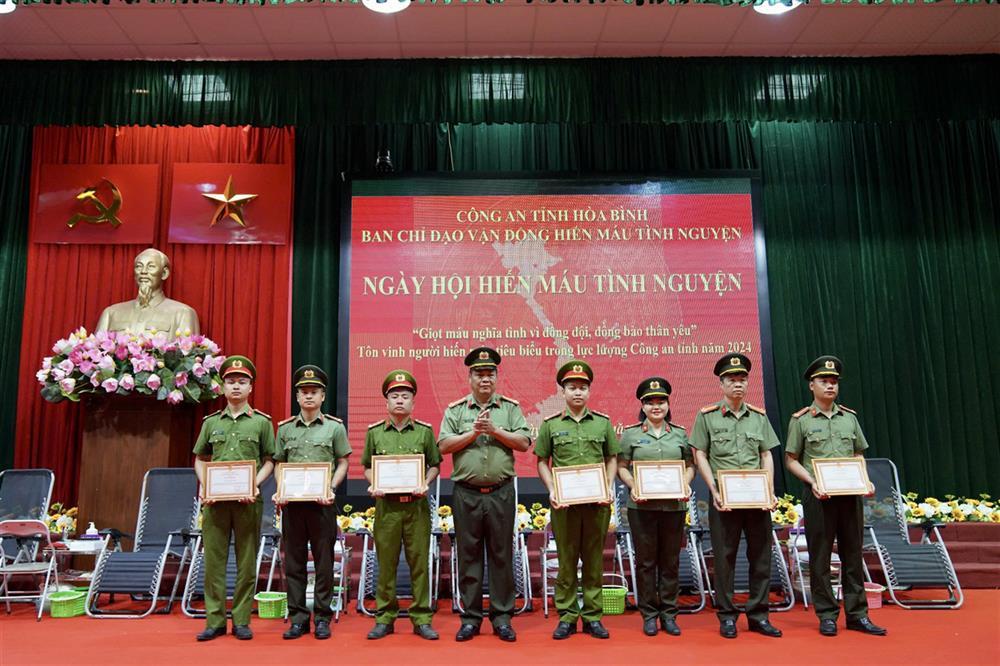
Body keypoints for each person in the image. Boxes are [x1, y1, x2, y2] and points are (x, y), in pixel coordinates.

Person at [784, 355, 887, 637]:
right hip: (819, 496)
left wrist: (864, 480)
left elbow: (858, 453)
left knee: (853, 555)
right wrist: (812, 481)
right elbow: (791, 459)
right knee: (820, 558)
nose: (830, 386)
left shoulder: (849, 418)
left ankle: (857, 614)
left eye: (833, 381)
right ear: (811, 385)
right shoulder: (801, 420)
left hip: (850, 496)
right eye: (823, 381)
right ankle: (827, 614)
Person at [438, 346, 531, 642]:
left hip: (501, 493)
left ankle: (503, 617)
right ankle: (471, 618)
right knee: (469, 556)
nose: (485, 379)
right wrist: (474, 434)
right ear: (470, 378)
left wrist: (496, 430)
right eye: (479, 373)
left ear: (496, 377)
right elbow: (443, 446)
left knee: (502, 555)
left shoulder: (510, 408)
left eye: (490, 373)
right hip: (466, 494)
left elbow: (524, 442)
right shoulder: (455, 411)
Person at [690, 354, 782, 640]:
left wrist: (768, 488)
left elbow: (766, 454)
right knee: (724, 558)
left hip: (757, 499)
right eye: (732, 380)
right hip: (725, 500)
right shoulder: (707, 416)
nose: (738, 384)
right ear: (722, 384)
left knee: (761, 558)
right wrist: (714, 491)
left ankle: (758, 615)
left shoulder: (759, 417)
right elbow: (699, 454)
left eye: (742, 379)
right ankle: (727, 616)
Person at [192, 355, 274, 641]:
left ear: (251, 387)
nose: (236, 386)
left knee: (246, 561)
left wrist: (255, 484)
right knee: (213, 561)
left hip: (247, 502)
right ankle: (214, 621)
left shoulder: (262, 423)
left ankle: (241, 620)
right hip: (215, 503)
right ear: (222, 386)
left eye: (242, 382)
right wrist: (204, 485)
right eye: (230, 381)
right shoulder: (211, 422)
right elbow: (201, 459)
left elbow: (269, 461)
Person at [535, 360, 619, 640]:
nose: (578, 392)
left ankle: (593, 616)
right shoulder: (550, 425)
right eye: (572, 387)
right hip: (565, 506)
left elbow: (611, 458)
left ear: (589, 391)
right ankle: (568, 616)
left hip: (596, 505)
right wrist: (552, 489)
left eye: (583, 387)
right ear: (563, 391)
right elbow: (542, 462)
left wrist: (607, 486)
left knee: (594, 561)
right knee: (567, 561)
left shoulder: (603, 423)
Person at [363, 370, 442, 641]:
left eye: (405, 396)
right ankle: (385, 617)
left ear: (413, 402)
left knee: (419, 563)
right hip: (387, 509)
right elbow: (367, 467)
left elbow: (434, 465)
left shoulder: (424, 432)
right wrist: (373, 484)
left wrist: (426, 482)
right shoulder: (375, 433)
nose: (399, 400)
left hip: (416, 508)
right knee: (386, 564)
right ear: (386, 402)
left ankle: (421, 618)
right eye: (394, 396)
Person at [273, 365, 351, 640]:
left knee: (324, 563)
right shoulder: (284, 429)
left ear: (322, 396)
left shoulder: (334, 427)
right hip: (293, 507)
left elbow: (343, 462)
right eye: (304, 392)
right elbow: (278, 463)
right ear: (297, 397)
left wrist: (331, 487)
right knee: (293, 563)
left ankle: (322, 617)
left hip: (322, 505)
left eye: (314, 392)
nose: (309, 396)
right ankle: (297, 618)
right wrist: (280, 489)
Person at [617, 376, 695, 637]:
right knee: (646, 562)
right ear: (643, 406)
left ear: (668, 404)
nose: (656, 406)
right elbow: (621, 467)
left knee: (670, 561)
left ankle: (669, 614)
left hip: (674, 507)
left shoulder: (681, 434)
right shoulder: (630, 434)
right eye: (650, 402)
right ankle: (649, 614)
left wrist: (685, 483)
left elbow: (690, 465)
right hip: (642, 509)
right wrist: (633, 486)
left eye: (661, 401)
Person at [96, 247, 200, 334]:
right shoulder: (111, 313)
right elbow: (97, 353)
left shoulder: (182, 313)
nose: (143, 272)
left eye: (151, 267)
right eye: (139, 267)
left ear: (164, 273)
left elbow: (186, 356)